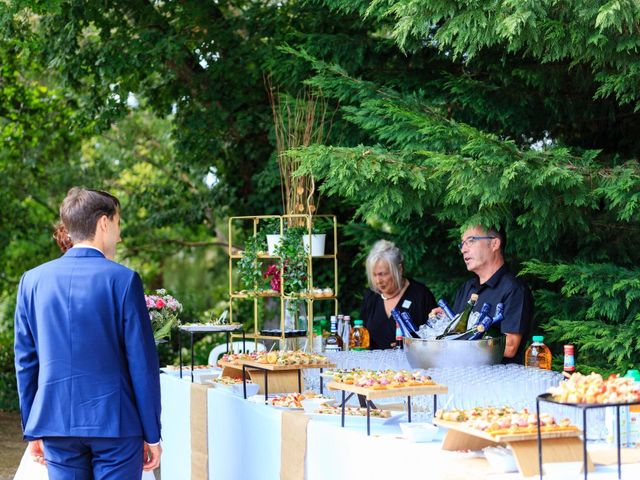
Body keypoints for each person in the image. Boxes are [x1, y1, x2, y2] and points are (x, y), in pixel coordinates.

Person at [14, 187, 162, 480]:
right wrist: (152, 434)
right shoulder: (123, 280)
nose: (119, 236)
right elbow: (142, 365)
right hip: (117, 425)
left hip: (56, 423)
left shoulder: (31, 282)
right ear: (103, 223)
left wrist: (33, 427)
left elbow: (26, 363)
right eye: (118, 224)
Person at [434, 225, 534, 363]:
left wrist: (464, 339)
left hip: (496, 380)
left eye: (471, 241)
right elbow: (455, 333)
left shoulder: (514, 289)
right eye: (462, 244)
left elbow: (510, 347)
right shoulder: (467, 287)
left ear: (494, 243)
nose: (463, 249)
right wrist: (445, 321)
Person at [360, 240, 437, 349]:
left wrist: (411, 345)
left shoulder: (420, 295)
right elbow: (361, 337)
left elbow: (436, 338)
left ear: (399, 269)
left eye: (383, 274)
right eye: (374, 275)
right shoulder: (371, 297)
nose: (378, 281)